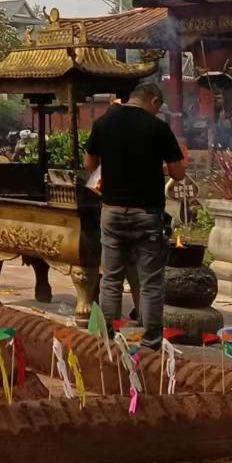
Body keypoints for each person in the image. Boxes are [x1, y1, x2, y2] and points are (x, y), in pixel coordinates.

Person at [84, 81, 187, 352]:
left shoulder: (104, 122)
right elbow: (178, 173)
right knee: (150, 280)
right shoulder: (158, 128)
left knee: (111, 278)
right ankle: (151, 342)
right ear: (153, 101)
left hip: (112, 211)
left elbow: (89, 164)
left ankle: (107, 337)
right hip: (146, 214)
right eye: (159, 107)